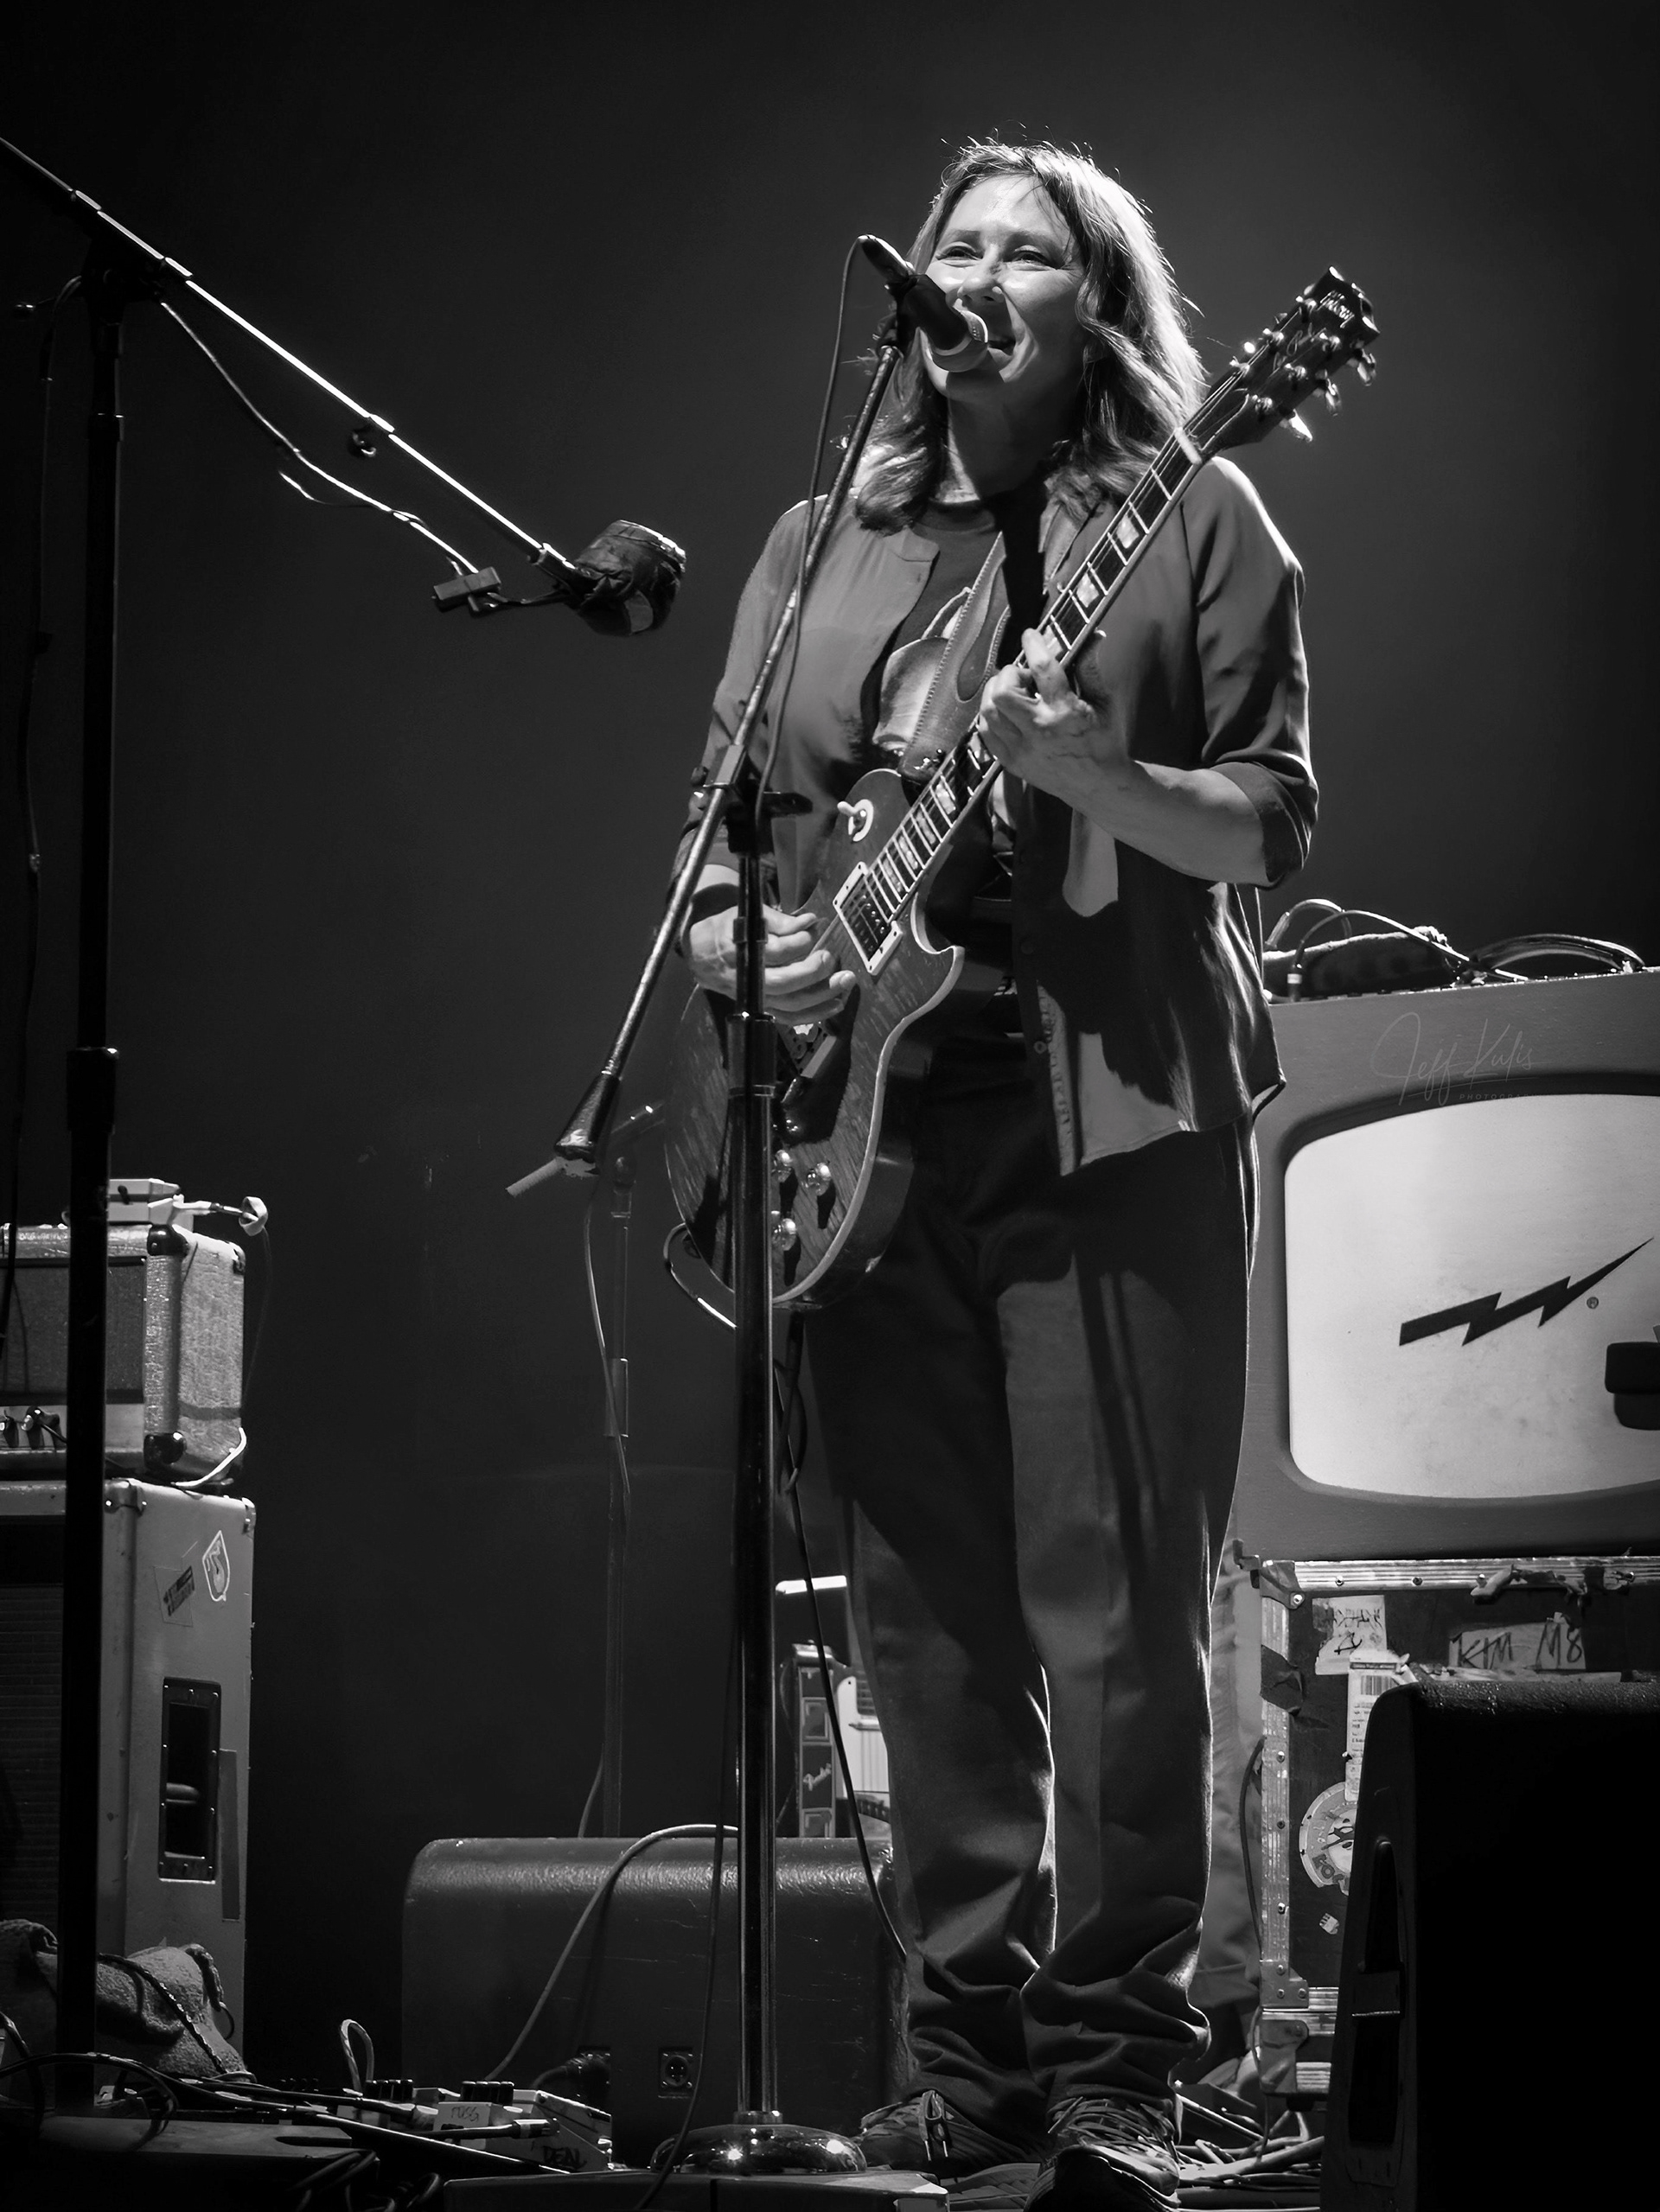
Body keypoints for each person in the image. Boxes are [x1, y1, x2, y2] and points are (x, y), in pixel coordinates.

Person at [675, 140, 1314, 2212]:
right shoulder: (821, 543)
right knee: (926, 1625)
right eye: (956, 240)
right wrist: (748, 948)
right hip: (866, 1138)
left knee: (1114, 1616)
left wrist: (1091, 774)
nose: (978, 270)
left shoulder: (1196, 514)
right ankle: (971, 2065)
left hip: (1107, 1112)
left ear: (1098, 305)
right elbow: (720, 835)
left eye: (1029, 248)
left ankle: (1123, 2061)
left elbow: (1266, 821)